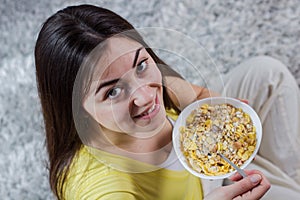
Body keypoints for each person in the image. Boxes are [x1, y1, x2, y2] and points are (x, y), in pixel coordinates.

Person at [34, 4, 298, 199]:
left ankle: (290, 174)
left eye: (141, 64)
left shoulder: (150, 80)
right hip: (209, 193)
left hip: (210, 162)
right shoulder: (101, 189)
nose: (148, 96)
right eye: (112, 92)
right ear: (76, 110)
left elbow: (197, 98)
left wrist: (224, 119)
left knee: (267, 74)